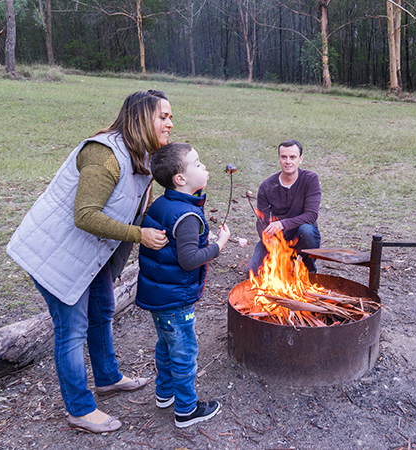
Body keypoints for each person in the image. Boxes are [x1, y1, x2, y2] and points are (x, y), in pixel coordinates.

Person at [6, 90, 172, 433]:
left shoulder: (141, 158)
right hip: (54, 253)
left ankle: (108, 377)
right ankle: (79, 410)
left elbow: (135, 210)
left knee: (101, 311)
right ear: (141, 118)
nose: (170, 123)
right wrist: (139, 236)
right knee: (72, 329)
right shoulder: (104, 154)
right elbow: (85, 215)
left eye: (170, 117)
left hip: (87, 254)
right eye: (163, 116)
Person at [134, 142, 230, 428]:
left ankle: (165, 394)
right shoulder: (187, 217)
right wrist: (219, 245)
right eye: (198, 164)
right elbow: (189, 260)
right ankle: (186, 409)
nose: (204, 167)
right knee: (185, 353)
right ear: (181, 179)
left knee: (165, 346)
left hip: (159, 294)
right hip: (175, 300)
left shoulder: (163, 203)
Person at [248, 139, 321, 275]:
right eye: (284, 157)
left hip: (301, 234)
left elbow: (311, 215)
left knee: (307, 231)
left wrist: (283, 224)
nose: (288, 161)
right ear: (279, 159)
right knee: (252, 272)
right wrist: (268, 239)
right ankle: (284, 265)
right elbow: (261, 221)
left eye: (292, 157)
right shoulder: (267, 186)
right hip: (277, 237)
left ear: (300, 159)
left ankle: (308, 270)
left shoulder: (310, 180)